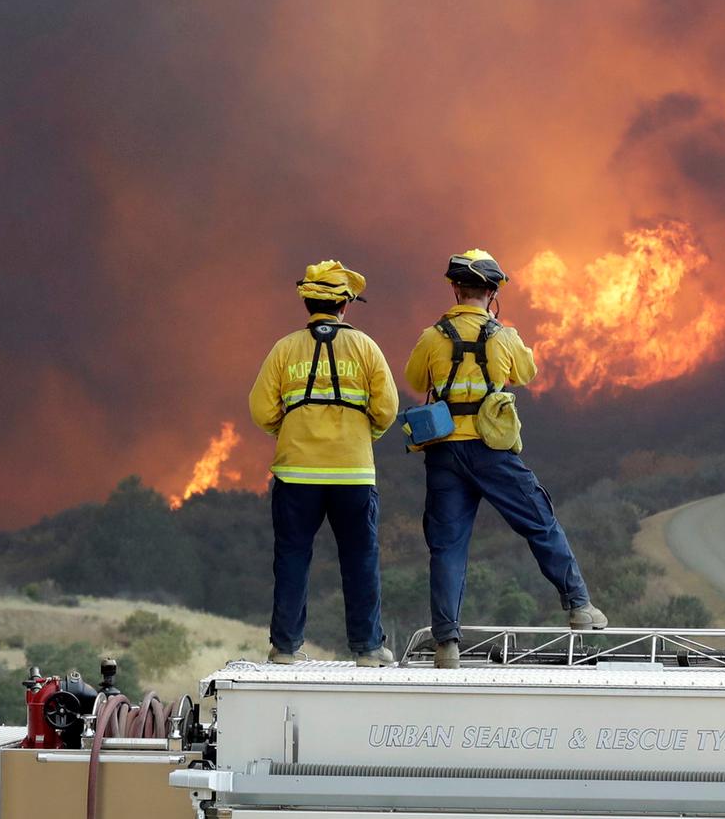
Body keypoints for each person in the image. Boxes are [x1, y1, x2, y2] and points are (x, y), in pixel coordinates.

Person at [405, 249, 606, 668]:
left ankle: (447, 642)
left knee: (447, 548)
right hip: (492, 451)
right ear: (492, 292)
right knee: (539, 520)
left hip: (443, 452)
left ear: (456, 288)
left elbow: (414, 380)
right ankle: (579, 607)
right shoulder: (505, 337)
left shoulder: (431, 337)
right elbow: (527, 373)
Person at [249, 259, 401, 667]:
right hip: (353, 473)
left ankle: (284, 647)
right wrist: (362, 436)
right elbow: (387, 410)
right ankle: (368, 648)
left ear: (308, 304)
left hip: (296, 473)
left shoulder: (284, 349)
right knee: (360, 558)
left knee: (293, 556)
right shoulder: (366, 348)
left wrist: (290, 430)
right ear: (344, 306)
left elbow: (262, 410)